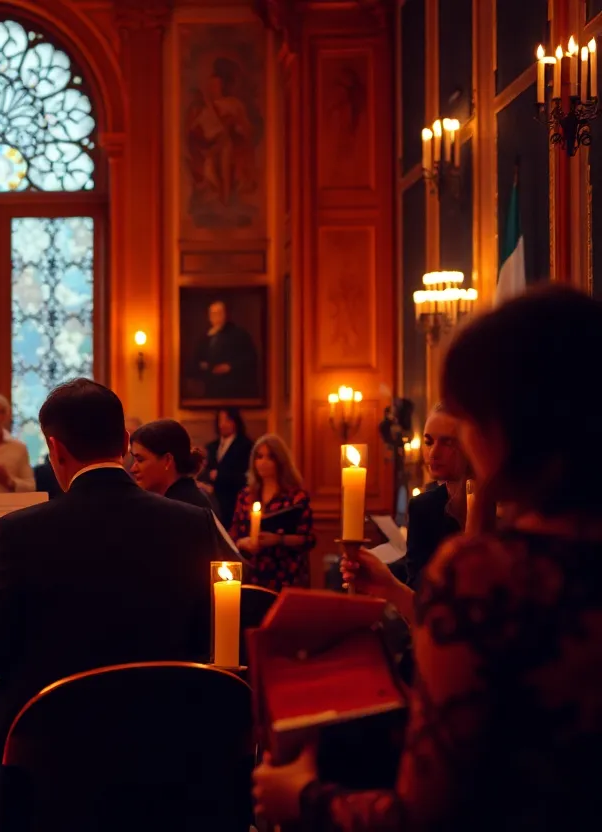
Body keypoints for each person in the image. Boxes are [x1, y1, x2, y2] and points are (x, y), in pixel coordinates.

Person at [253, 286, 602, 831]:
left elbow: (423, 815)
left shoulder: (486, 573)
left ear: (501, 431)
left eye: (466, 424)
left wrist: (303, 797)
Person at [0, 379, 230, 830]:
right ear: (123, 442)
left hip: (50, 757)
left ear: (55, 449)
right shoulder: (192, 523)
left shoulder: (18, 532)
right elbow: (206, 639)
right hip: (162, 749)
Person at [228, 434, 314, 591]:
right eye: (259, 457)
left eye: (270, 457)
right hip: (254, 573)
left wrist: (278, 539)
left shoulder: (295, 497)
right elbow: (233, 536)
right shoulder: (246, 496)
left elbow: (308, 539)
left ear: (280, 462)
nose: (263, 462)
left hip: (287, 574)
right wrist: (243, 543)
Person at [400, 404, 468, 588]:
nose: (433, 453)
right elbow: (416, 588)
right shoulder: (423, 507)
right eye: (429, 442)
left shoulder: (504, 506)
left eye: (447, 443)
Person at [129, 418, 216, 512]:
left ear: (167, 460)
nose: (133, 469)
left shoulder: (184, 508)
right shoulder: (171, 500)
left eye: (140, 460)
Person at [197, 407, 253, 527]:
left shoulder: (246, 445)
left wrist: (219, 476)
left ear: (235, 422)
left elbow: (245, 476)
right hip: (212, 502)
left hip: (233, 501)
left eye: (227, 420)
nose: (223, 424)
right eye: (220, 421)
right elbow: (206, 471)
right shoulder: (211, 447)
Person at [193, 300, 259, 399]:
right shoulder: (205, 337)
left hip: (233, 388)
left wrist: (229, 366)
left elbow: (250, 359)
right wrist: (206, 366)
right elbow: (197, 361)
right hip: (212, 388)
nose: (216, 317)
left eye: (219, 313)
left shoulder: (239, 335)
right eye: (213, 314)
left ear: (226, 315)